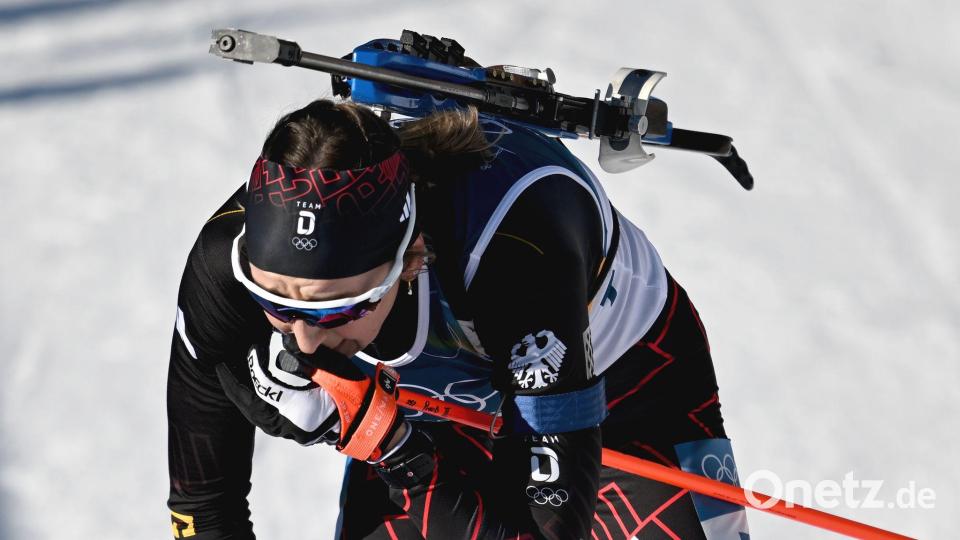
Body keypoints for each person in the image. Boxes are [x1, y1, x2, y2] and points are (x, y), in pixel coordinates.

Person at [167, 98, 750, 539]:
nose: (305, 340)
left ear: (411, 258)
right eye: (276, 306)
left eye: (339, 307)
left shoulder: (513, 253)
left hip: (625, 401)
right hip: (435, 412)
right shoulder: (227, 257)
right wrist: (397, 444)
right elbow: (202, 500)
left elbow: (543, 532)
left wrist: (391, 445)